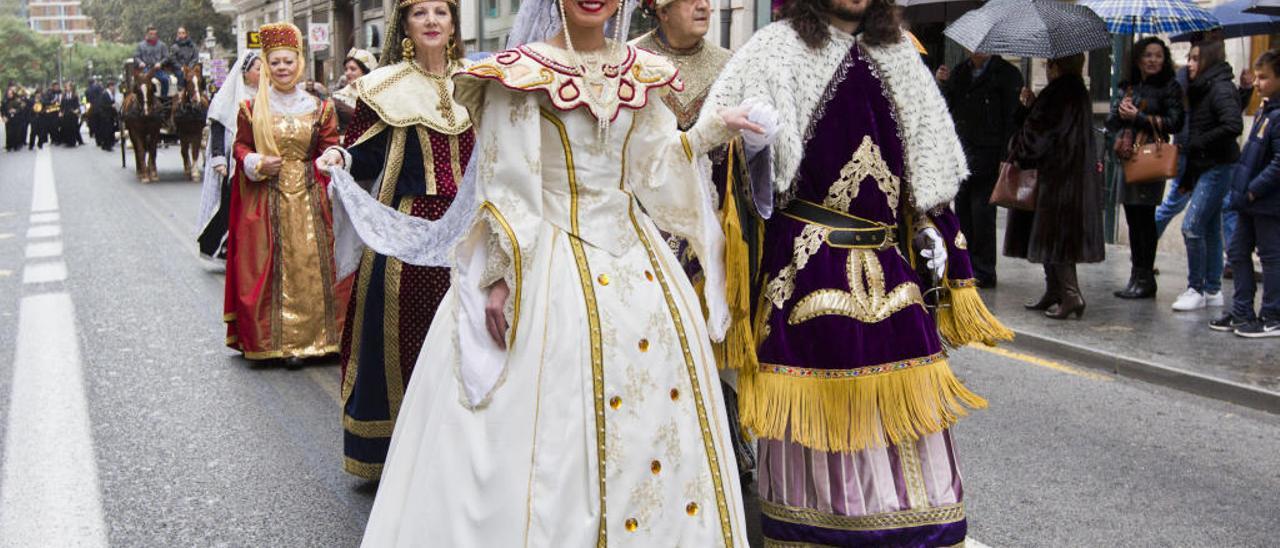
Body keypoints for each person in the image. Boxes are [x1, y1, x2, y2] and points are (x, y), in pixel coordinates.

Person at [355, 0, 772, 543]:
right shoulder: (520, 74)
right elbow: (508, 184)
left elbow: (652, 166)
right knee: (536, 436)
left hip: (636, 269)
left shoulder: (637, 72)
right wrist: (501, 276)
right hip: (549, 267)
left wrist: (712, 129)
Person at [702, 0, 1010, 545]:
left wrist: (940, 243)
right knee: (818, 418)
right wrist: (751, 150)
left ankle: (913, 533)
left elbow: (929, 171)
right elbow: (719, 162)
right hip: (804, 272)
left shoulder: (901, 57)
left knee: (912, 423)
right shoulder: (772, 50)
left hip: (893, 272)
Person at [316, 0, 476, 481]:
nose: (431, 21)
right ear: (404, 25)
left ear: (453, 24)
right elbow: (363, 156)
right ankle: (401, 454)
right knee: (409, 337)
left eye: (441, 13)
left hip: (472, 228)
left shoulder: (479, 82)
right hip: (409, 234)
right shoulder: (383, 87)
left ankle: (467, 450)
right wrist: (339, 160)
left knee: (470, 340)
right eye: (420, 12)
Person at [630, 0, 760, 487]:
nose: (703, 5)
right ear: (659, 10)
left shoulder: (731, 65)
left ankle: (721, 442)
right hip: (650, 221)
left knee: (715, 334)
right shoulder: (632, 64)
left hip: (717, 222)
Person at [226, 23, 346, 367]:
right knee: (273, 264)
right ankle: (284, 342)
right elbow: (241, 146)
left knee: (316, 264)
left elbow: (330, 144)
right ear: (266, 65)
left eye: (288, 61)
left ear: (299, 63)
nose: (282, 68)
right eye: (275, 62)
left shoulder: (319, 107)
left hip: (312, 195)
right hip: (267, 197)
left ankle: (323, 339)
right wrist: (256, 161)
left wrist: (330, 157)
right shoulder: (252, 108)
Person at [1006, 54, 1105, 320]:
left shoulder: (1057, 94)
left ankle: (1071, 295)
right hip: (1070, 178)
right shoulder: (1077, 93)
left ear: (1055, 66)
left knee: (1057, 239)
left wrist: (1021, 134)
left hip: (1057, 180)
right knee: (1057, 238)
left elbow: (1036, 139)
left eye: (1048, 64)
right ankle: (1055, 290)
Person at [937, 49, 1024, 289]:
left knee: (982, 213)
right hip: (963, 154)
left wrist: (1006, 156)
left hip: (990, 153)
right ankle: (965, 265)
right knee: (963, 211)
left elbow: (1011, 119)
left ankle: (985, 269)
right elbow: (946, 108)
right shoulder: (960, 73)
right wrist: (943, 85)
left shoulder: (1007, 74)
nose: (975, 49)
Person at [1107, 37, 1183, 300]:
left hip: (1150, 157)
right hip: (1127, 157)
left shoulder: (1169, 87)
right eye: (1148, 55)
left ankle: (1146, 277)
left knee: (1145, 219)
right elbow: (1111, 122)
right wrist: (1120, 110)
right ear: (1138, 59)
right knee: (1132, 218)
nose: (1153, 60)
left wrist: (1138, 117)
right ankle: (1135, 275)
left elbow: (1175, 122)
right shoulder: (1128, 86)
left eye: (1158, 56)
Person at [1172, 39, 1243, 312]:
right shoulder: (1201, 87)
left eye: (1194, 59)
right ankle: (1212, 289)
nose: (1189, 64)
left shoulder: (1220, 88)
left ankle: (1196, 288)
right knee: (1211, 228)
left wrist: (1199, 143)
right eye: (1189, 58)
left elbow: (1232, 124)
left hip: (1218, 165)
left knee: (1191, 226)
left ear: (1208, 61)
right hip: (1205, 166)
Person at [1213, 49, 1280, 338]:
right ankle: (1241, 310)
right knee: (1238, 252)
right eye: (1257, 77)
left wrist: (1253, 190)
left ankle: (1273, 314)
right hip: (1248, 200)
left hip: (1266, 201)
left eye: (1264, 77)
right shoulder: (1266, 110)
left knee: (1270, 257)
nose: (1257, 83)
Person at [198, 51, 261, 263]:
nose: (262, 73)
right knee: (232, 206)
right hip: (233, 162)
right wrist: (218, 159)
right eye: (258, 69)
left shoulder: (268, 95)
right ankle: (224, 246)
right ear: (245, 73)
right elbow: (218, 127)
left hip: (259, 161)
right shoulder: (228, 98)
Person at [331, 48, 377, 134]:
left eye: (353, 69)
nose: (347, 73)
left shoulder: (379, 95)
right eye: (346, 69)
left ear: (365, 72)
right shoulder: (338, 98)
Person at [136, 26, 173, 97]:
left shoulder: (162, 45)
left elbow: (167, 57)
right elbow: (136, 57)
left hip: (157, 69)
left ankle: (163, 98)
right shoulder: (140, 45)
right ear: (147, 34)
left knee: (165, 79)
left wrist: (160, 63)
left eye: (154, 34)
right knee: (141, 81)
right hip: (145, 69)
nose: (153, 36)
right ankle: (142, 99)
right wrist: (140, 62)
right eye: (151, 34)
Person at [59, 82, 84, 147]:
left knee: (73, 128)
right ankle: (68, 142)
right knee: (67, 128)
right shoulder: (64, 96)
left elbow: (77, 105)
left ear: (71, 88)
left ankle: (73, 142)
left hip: (73, 114)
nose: (68, 88)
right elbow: (62, 105)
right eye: (67, 87)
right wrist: (61, 112)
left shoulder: (74, 96)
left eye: (69, 86)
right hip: (66, 114)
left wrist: (77, 110)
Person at [37, 83, 61, 148]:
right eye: (55, 87)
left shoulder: (60, 93)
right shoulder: (48, 93)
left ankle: (56, 140)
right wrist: (51, 102)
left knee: (55, 127)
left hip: (56, 113)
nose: (57, 88)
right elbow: (44, 102)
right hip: (48, 114)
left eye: (58, 87)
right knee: (45, 129)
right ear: (52, 87)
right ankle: (41, 142)